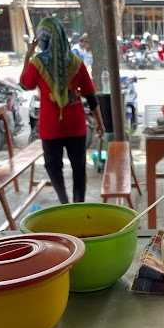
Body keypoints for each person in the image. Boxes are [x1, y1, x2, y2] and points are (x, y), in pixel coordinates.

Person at [20, 16, 104, 204]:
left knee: (53, 166)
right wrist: (100, 124)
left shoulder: (37, 63)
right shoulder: (76, 62)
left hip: (51, 126)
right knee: (79, 168)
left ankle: (64, 202)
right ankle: (78, 204)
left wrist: (28, 56)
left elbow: (25, 84)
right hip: (75, 124)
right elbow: (91, 96)